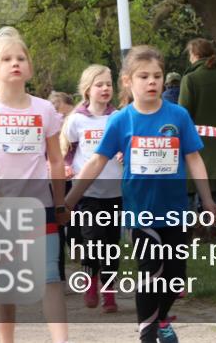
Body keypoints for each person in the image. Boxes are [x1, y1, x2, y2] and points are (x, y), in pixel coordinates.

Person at [66, 45, 216, 343]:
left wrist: (208, 200)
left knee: (175, 277)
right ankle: (147, 333)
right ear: (128, 82)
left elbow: (194, 159)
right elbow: (97, 160)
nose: (152, 82)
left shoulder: (179, 116)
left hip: (176, 210)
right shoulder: (121, 120)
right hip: (141, 212)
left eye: (157, 76)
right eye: (144, 76)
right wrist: (70, 200)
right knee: (151, 272)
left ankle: (161, 319)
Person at [0, 27, 70, 343]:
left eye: (21, 58)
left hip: (41, 207)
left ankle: (61, 340)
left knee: (50, 278)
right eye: (7, 58)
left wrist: (60, 202)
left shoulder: (45, 110)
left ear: (29, 67)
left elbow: (55, 160)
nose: (15, 63)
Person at [62, 65, 122, 313]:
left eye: (109, 84)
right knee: (92, 241)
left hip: (115, 191)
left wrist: (123, 153)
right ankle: (90, 281)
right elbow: (68, 149)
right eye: (100, 84)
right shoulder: (77, 119)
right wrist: (67, 167)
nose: (106, 88)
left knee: (111, 243)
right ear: (87, 89)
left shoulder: (118, 117)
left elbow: (126, 144)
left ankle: (109, 291)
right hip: (86, 192)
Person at [178, 38, 216, 241]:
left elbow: (182, 115)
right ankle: (215, 229)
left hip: (193, 144)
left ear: (194, 55)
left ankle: (189, 230)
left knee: (190, 189)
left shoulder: (190, 79)